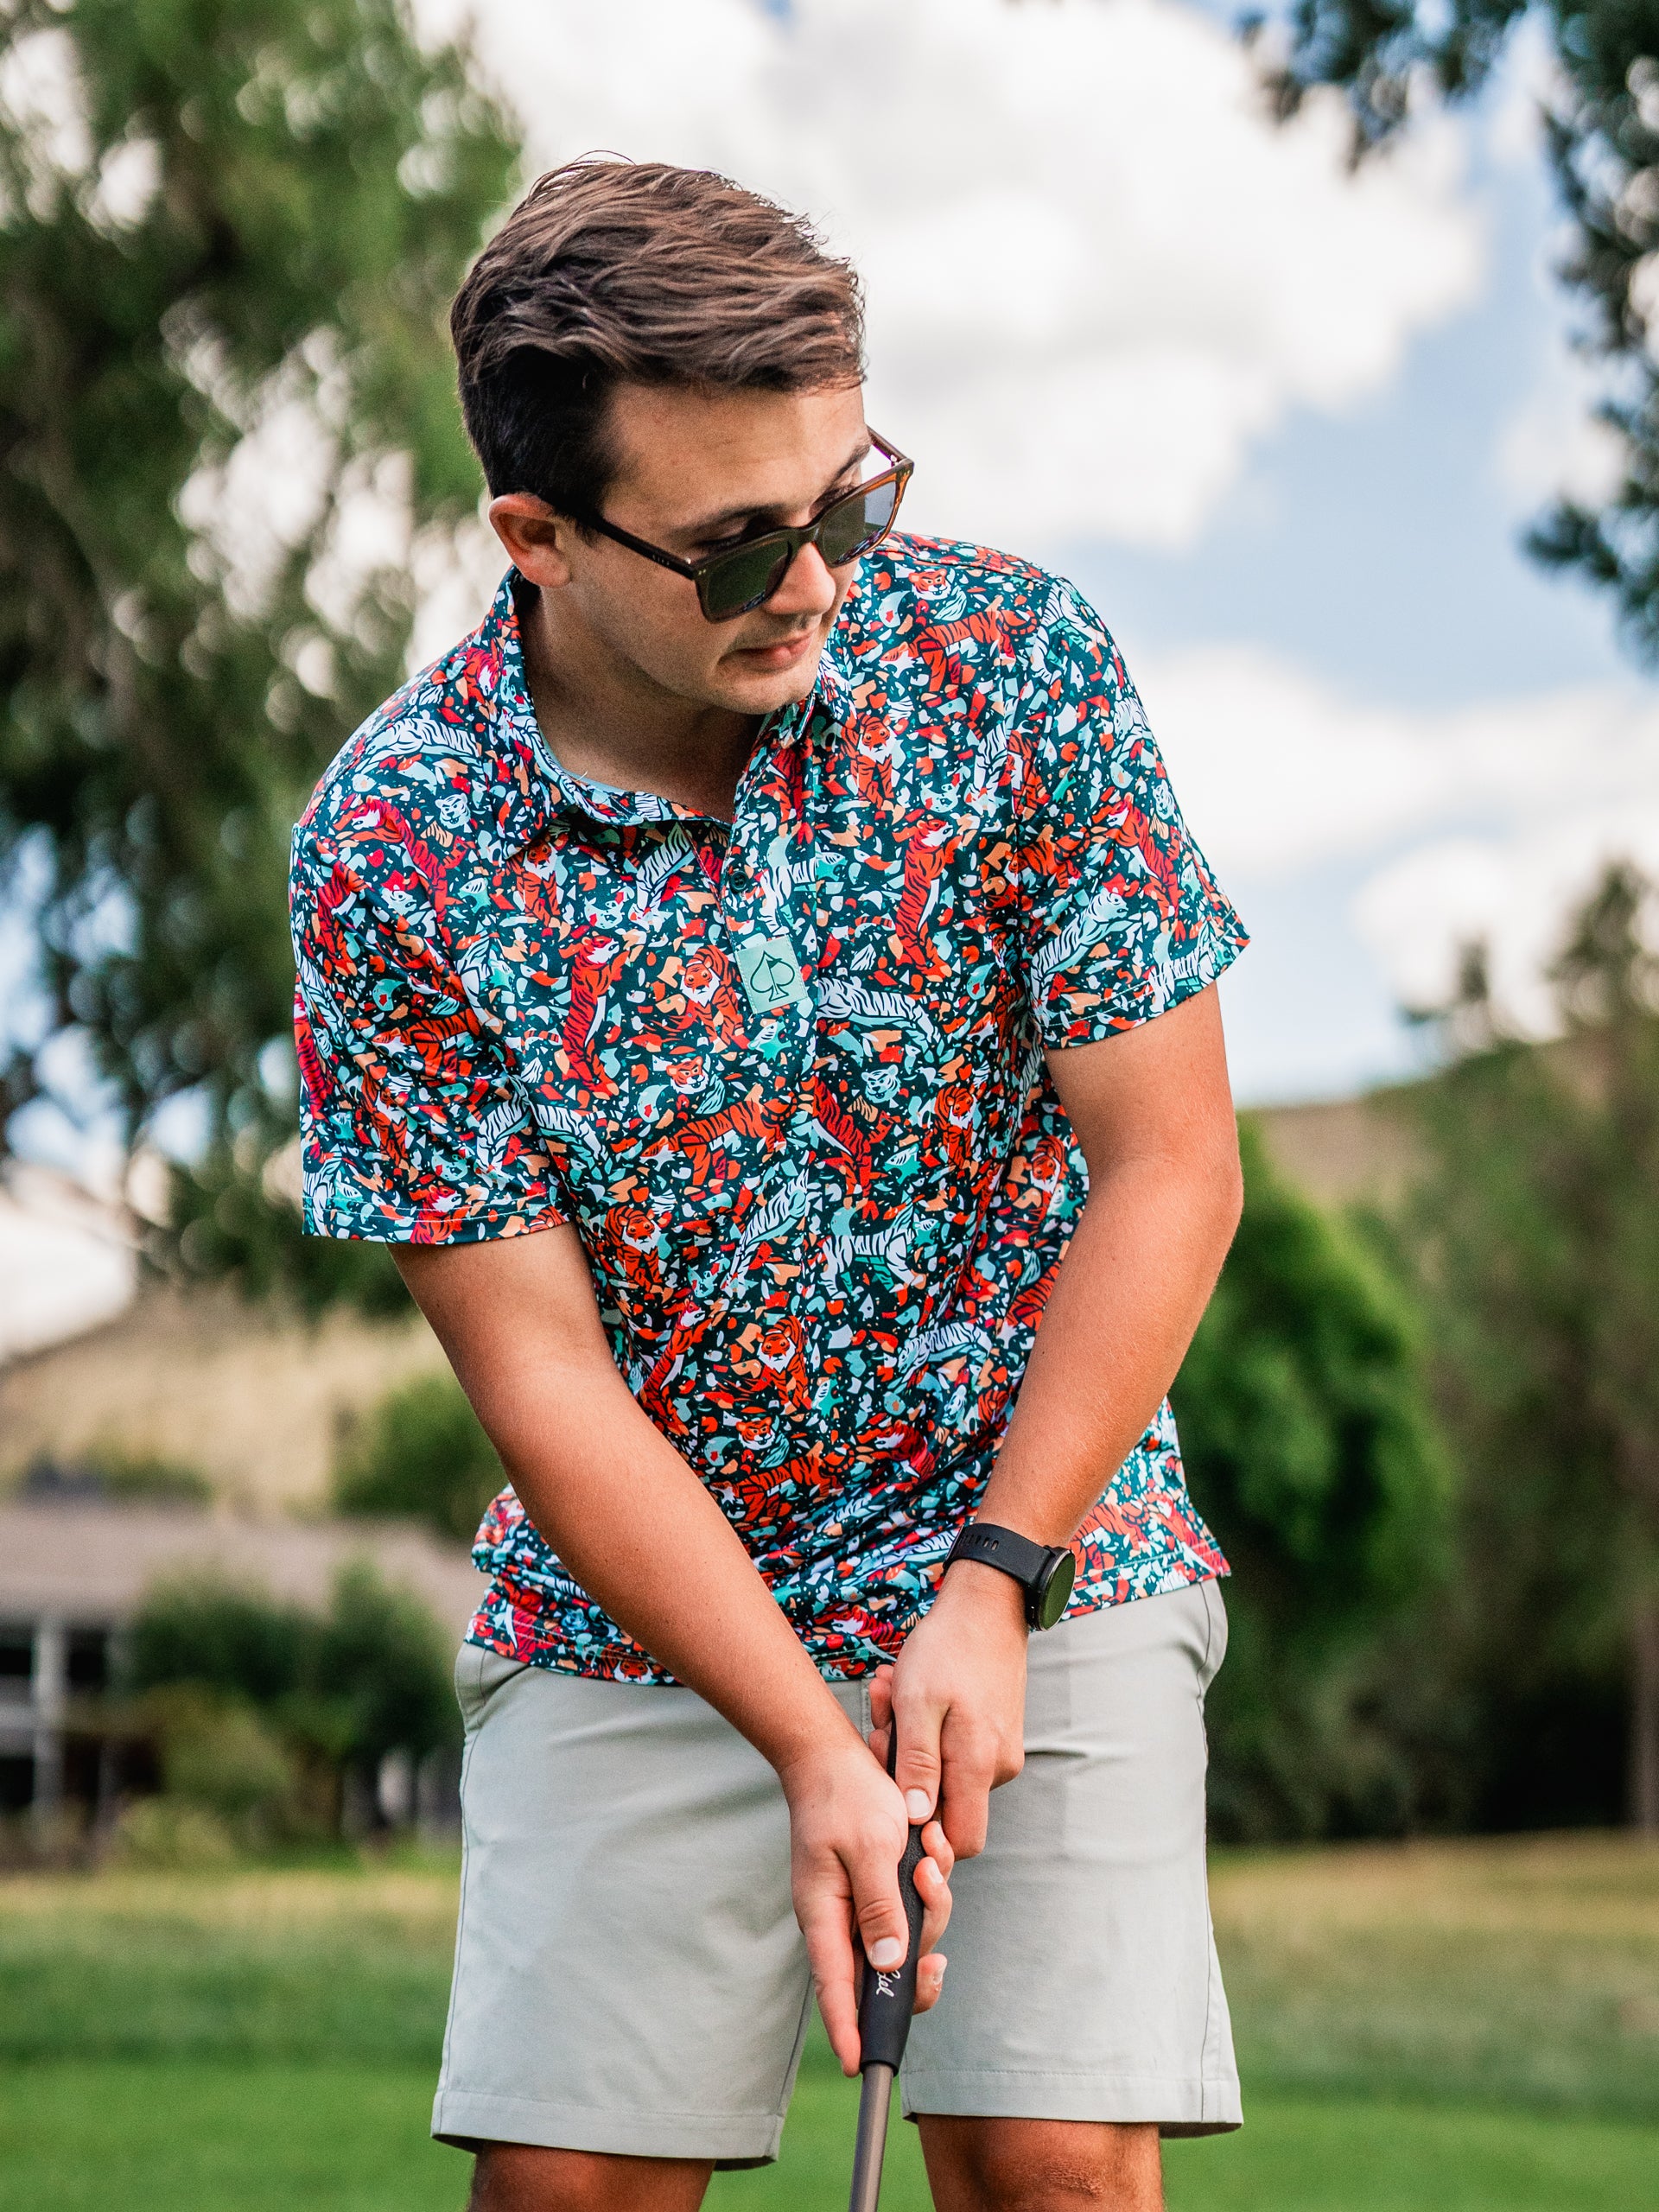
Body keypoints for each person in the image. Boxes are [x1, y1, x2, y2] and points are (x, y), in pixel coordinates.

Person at [289, 156, 1248, 2212]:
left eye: (849, 502)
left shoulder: (1011, 665)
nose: (815, 581)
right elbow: (541, 1377)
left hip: (1042, 1529)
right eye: (739, 544)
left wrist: (992, 1577)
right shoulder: (392, 851)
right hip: (643, 1594)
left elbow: (1172, 1160)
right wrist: (808, 1737)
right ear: (538, 537)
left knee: (1055, 2164)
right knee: (567, 2189)